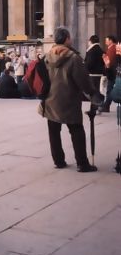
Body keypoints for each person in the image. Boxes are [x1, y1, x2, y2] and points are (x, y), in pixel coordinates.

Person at [40, 26, 100, 172]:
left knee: (53, 131)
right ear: (66, 39)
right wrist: (92, 92)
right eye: (70, 37)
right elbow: (83, 80)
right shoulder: (73, 58)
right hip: (69, 99)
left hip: (50, 99)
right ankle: (82, 163)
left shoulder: (47, 56)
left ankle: (59, 161)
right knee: (77, 131)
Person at [84, 34, 105, 106]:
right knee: (98, 91)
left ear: (90, 41)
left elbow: (89, 63)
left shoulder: (91, 51)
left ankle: (95, 107)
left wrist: (85, 68)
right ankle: (98, 106)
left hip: (93, 74)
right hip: (100, 73)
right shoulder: (101, 50)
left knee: (93, 91)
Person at [99, 35, 117, 113]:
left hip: (111, 72)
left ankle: (106, 106)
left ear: (111, 40)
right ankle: (106, 105)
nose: (105, 42)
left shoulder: (112, 49)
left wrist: (104, 57)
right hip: (113, 71)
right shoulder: (115, 47)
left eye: (107, 40)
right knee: (110, 89)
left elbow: (108, 62)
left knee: (109, 89)